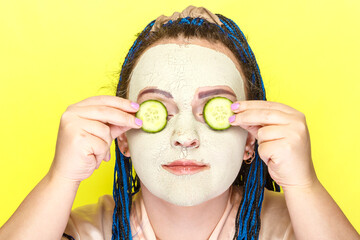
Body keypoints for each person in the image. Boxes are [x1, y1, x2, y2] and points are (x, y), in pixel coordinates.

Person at [0, 5, 359, 240]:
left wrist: (305, 184)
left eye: (213, 111)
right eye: (157, 108)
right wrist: (60, 178)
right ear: (122, 137)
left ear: (252, 140)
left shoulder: (296, 226)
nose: (185, 137)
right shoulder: (88, 230)